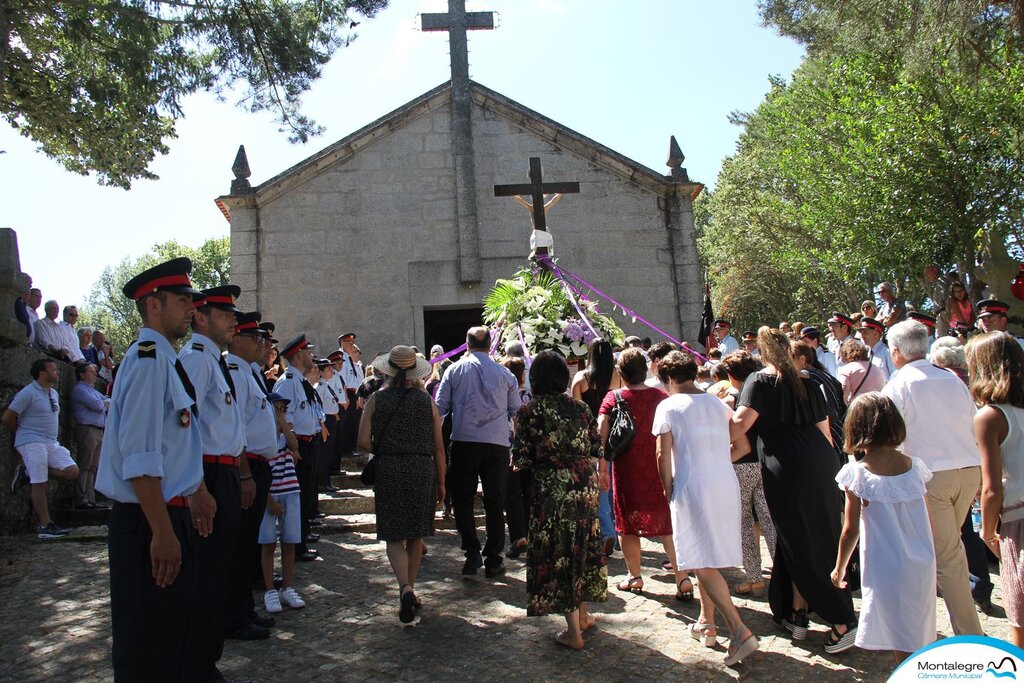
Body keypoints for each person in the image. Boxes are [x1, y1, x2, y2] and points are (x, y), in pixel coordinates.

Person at [94, 256, 216, 682]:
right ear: (153, 304)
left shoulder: (165, 360)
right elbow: (140, 456)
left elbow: (175, 442)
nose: (192, 309)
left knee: (171, 634)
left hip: (168, 511)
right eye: (182, 300)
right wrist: (162, 532)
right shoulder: (147, 360)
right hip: (149, 520)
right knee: (147, 645)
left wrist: (197, 489)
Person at [732, 327, 858, 654]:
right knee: (807, 538)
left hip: (787, 468)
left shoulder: (759, 382)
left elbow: (740, 424)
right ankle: (796, 612)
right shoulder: (811, 383)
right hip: (821, 464)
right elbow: (827, 436)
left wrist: (715, 412)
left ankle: (842, 620)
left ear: (762, 353)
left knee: (804, 542)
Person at [653, 351, 759, 665]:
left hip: (691, 484)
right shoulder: (717, 402)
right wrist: (715, 462)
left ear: (670, 378)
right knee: (707, 557)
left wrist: (668, 487)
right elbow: (742, 446)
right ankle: (706, 622)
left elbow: (662, 454)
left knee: (700, 560)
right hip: (724, 481)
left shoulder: (668, 405)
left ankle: (738, 629)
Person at [881, 320, 983, 636]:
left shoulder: (898, 385)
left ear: (895, 351)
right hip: (966, 472)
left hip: (932, 479)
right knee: (949, 551)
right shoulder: (952, 380)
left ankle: (969, 635)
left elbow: (890, 441)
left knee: (947, 558)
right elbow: (972, 422)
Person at [512, 350, 607, 650]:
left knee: (560, 550)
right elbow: (596, 448)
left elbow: (521, 459)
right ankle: (583, 615)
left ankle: (573, 633)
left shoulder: (529, 411)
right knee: (582, 544)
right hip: (584, 482)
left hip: (552, 485)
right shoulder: (581, 409)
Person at [832, 393, 936, 661]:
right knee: (916, 633)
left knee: (899, 638)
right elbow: (926, 518)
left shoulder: (857, 474)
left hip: (886, 566)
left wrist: (840, 567)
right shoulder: (915, 467)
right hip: (922, 561)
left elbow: (850, 529)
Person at [358, 346, 446, 622]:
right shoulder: (426, 401)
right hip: (422, 469)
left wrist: (384, 447)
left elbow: (361, 442)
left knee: (394, 536)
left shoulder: (376, 399)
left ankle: (404, 588)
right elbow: (439, 448)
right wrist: (442, 482)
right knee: (415, 535)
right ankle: (411, 588)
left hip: (389, 468)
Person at [436, 327, 522, 577]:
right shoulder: (506, 374)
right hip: (496, 443)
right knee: (495, 500)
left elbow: (440, 408)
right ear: (490, 345)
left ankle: (472, 552)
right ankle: (493, 557)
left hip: (465, 440)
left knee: (463, 499)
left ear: (467, 344)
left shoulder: (454, 370)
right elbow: (516, 410)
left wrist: (435, 442)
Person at [597, 348, 679, 596]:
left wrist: (602, 465)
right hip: (657, 464)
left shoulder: (613, 397)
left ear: (620, 372)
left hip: (626, 467)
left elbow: (602, 430)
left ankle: (635, 577)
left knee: (627, 523)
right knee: (666, 522)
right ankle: (682, 577)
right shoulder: (661, 396)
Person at [225, 311, 284, 639]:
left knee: (247, 545)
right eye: (256, 338)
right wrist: (245, 474)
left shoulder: (248, 372)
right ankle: (235, 615)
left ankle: (244, 609)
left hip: (258, 464)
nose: (263, 344)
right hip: (244, 464)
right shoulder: (234, 371)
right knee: (241, 545)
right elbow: (236, 427)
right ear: (237, 340)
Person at [969, 332, 1024, 646]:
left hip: (1018, 520)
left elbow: (992, 489)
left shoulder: (990, 417)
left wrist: (988, 531)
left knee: (1020, 620)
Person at [719, 351, 775, 597]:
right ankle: (783, 569)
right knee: (768, 520)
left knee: (744, 524)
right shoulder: (765, 392)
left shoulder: (732, 398)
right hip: (764, 463)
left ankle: (754, 577)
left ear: (730, 375)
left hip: (740, 464)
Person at [3, 358, 79, 537]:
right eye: (54, 370)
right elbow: (8, 417)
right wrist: (21, 436)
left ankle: (27, 472)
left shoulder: (53, 393)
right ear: (42, 373)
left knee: (72, 471)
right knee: (40, 483)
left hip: (51, 442)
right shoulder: (28, 393)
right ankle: (45, 526)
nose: (57, 373)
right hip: (32, 441)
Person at [571, 339, 624, 556]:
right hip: (615, 436)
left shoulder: (581, 378)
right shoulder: (618, 377)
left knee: (598, 488)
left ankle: (606, 533)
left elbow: (575, 412)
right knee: (613, 486)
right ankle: (618, 534)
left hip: (589, 437)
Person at [273, 334, 323, 563]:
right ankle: (297, 545)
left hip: (308, 442)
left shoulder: (299, 381)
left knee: (306, 495)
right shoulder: (287, 382)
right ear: (299, 354)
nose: (312, 356)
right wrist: (293, 450)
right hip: (298, 446)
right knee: (299, 498)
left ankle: (301, 538)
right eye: (308, 352)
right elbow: (285, 419)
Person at [259, 393, 307, 616]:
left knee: (289, 541)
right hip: (271, 493)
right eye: (276, 408)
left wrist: (282, 422)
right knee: (268, 543)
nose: (281, 412)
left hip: (290, 490)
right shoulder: (262, 438)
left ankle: (287, 586)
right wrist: (268, 499)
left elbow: (294, 444)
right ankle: (269, 588)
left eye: (283, 409)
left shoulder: (287, 436)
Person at [791, 340, 846, 463]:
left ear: (802, 359)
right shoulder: (825, 375)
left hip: (826, 432)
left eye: (791, 356)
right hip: (837, 431)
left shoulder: (805, 378)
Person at [501, 357, 530, 559]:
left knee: (511, 494)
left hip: (508, 449)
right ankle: (528, 534)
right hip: (529, 450)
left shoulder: (501, 395)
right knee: (528, 493)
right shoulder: (529, 396)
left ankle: (518, 536)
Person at [71, 362, 108, 509]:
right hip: (87, 429)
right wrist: (103, 403)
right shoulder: (80, 390)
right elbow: (99, 405)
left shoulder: (92, 391)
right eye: (91, 372)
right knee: (85, 465)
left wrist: (103, 402)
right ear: (82, 374)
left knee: (93, 466)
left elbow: (109, 400)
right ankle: (81, 499)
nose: (94, 375)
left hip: (98, 430)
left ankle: (91, 499)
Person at [337, 332, 364, 455]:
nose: (352, 345)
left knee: (353, 422)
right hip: (347, 392)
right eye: (350, 342)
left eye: (353, 342)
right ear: (343, 343)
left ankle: (350, 448)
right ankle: (346, 449)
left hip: (354, 393)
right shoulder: (341, 358)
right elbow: (342, 380)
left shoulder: (348, 358)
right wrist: (345, 397)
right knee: (347, 423)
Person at [837, 338, 886, 405]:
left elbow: (843, 393)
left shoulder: (846, 370)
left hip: (860, 407)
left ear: (844, 354)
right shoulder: (876, 368)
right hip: (879, 406)